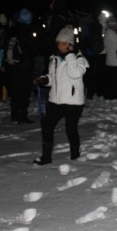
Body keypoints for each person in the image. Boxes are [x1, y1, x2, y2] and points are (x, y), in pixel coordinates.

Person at [33, 27, 89, 165]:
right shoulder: (54, 58)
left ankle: (75, 155)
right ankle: (46, 157)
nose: (60, 46)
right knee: (47, 126)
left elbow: (75, 74)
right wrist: (45, 80)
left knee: (70, 128)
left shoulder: (79, 58)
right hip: (55, 99)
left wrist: (70, 55)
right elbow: (53, 78)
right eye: (59, 43)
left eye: (64, 43)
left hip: (73, 101)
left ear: (71, 45)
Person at [5, 11, 35, 123]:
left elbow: (3, 44)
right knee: (25, 92)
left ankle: (14, 115)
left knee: (15, 91)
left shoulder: (12, 30)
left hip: (13, 65)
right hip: (25, 65)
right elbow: (32, 49)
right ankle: (22, 115)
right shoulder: (27, 31)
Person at [102, 13, 117, 100]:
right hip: (116, 60)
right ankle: (113, 94)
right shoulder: (116, 36)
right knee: (114, 79)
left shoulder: (106, 34)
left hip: (108, 59)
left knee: (109, 79)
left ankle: (108, 94)